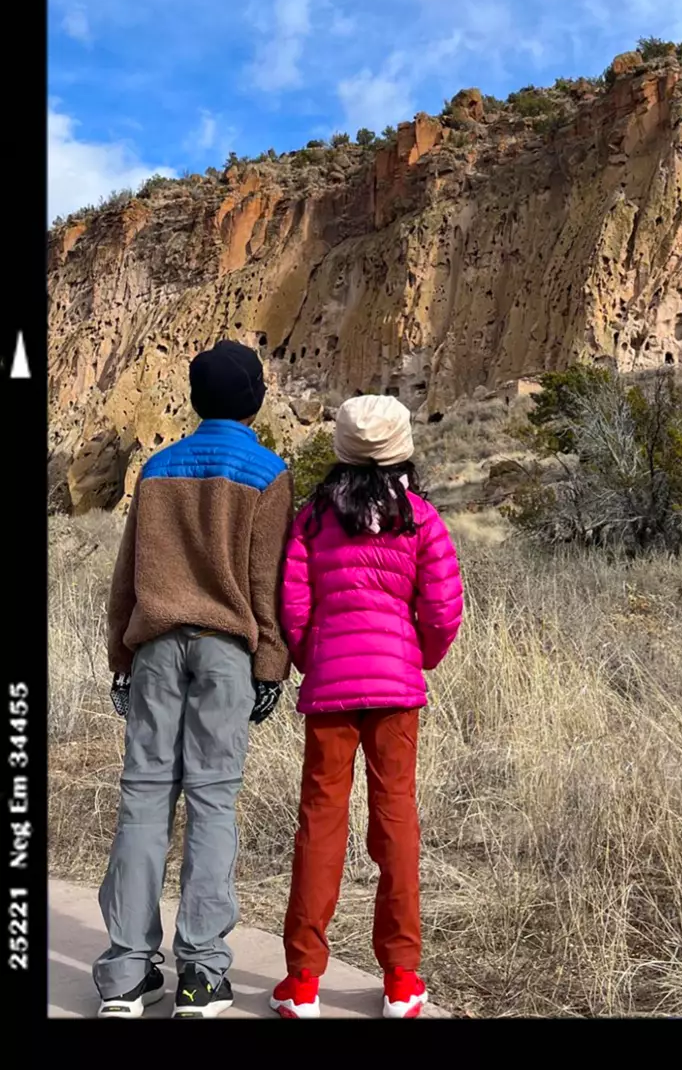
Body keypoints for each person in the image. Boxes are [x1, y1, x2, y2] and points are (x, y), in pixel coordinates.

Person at [95, 340, 293, 1019]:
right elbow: (267, 585)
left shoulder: (157, 469)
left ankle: (124, 973)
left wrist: (121, 657)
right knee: (212, 803)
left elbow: (128, 576)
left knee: (144, 800)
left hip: (153, 650)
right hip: (226, 656)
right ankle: (202, 975)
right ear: (255, 399)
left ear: (195, 398)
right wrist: (270, 666)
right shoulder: (269, 473)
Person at [269, 396, 463, 1021]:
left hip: (331, 689)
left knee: (320, 823)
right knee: (396, 822)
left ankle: (302, 983)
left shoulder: (313, 520)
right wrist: (418, 657)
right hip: (396, 690)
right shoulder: (422, 519)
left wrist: (312, 658)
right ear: (403, 449)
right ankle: (402, 979)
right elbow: (441, 609)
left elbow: (294, 607)